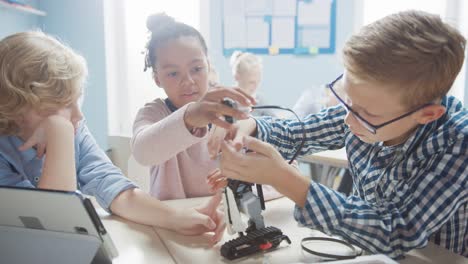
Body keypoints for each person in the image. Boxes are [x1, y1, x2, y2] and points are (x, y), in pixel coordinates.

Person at [209, 10, 467, 258]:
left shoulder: (458, 143)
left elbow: (396, 232)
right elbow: (299, 133)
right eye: (348, 100)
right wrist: (251, 127)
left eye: (366, 113)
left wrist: (286, 180)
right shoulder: (369, 110)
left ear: (427, 115)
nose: (347, 119)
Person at [0, 31, 227, 243]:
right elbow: (53, 232)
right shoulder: (59, 131)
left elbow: (114, 188)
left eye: (75, 101)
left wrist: (173, 218)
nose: (78, 116)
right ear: (19, 107)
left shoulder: (74, 127)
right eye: (61, 106)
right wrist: (60, 131)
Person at [131, 13, 254, 201]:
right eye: (173, 73)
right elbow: (142, 152)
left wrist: (241, 176)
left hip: (225, 220)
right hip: (172, 221)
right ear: (157, 78)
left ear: (208, 65)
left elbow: (279, 169)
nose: (188, 81)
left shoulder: (229, 108)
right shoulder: (154, 113)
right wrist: (190, 116)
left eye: (196, 69)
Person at [230, 51, 279, 117]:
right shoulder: (227, 100)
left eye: (258, 81)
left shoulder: (260, 101)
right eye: (251, 82)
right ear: (237, 77)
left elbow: (275, 123)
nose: (256, 86)